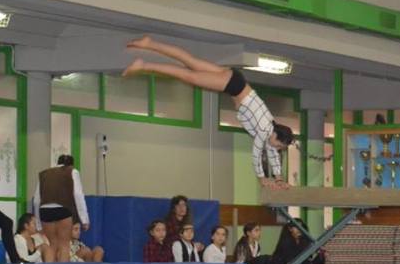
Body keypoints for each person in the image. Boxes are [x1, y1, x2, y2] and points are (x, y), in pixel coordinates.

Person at [124, 36, 293, 190]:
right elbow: (257, 154)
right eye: (278, 145)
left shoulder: (271, 128)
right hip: (234, 86)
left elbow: (271, 152)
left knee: (190, 62)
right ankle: (144, 65)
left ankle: (150, 44)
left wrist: (279, 179)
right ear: (275, 135)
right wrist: (262, 178)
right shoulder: (265, 131)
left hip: (236, 80)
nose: (275, 148)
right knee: (188, 75)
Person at [32, 154, 90, 262]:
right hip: (63, 209)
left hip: (45, 211)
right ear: (71, 164)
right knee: (64, 245)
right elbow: (78, 195)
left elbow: (36, 200)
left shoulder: (44, 174)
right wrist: (84, 219)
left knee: (52, 244)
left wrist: (38, 223)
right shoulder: (72, 171)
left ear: (58, 163)